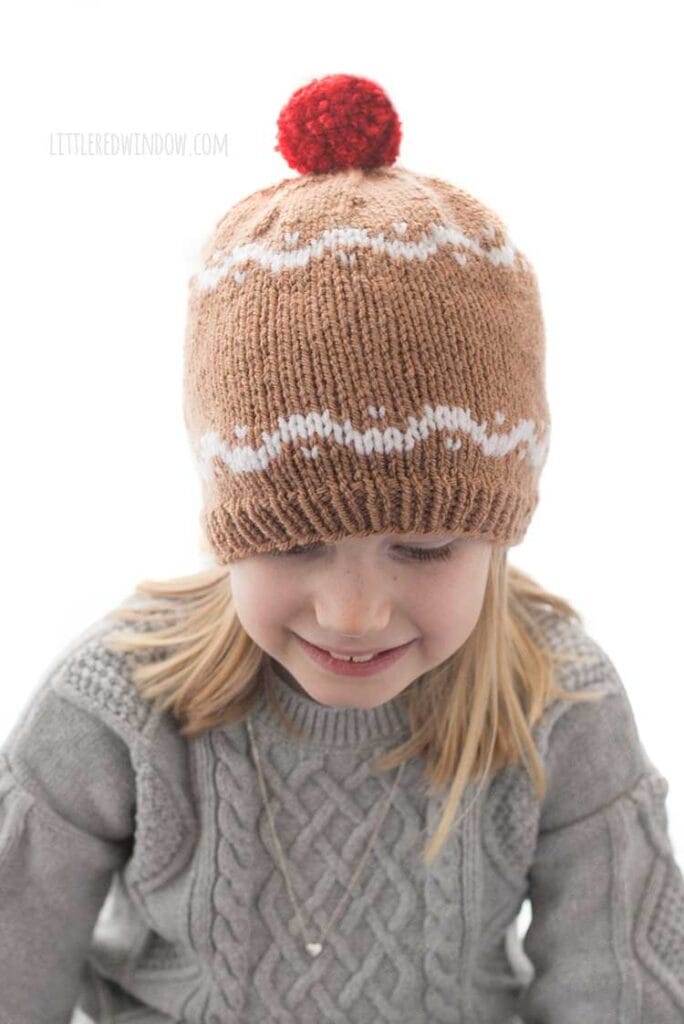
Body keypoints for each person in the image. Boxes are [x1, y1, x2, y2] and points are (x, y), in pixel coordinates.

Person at [1, 73, 682, 1024]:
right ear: (228, 525)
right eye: (294, 541)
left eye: (426, 544)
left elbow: (621, 990)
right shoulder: (117, 711)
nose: (353, 610)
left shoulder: (558, 705)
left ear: (496, 531)